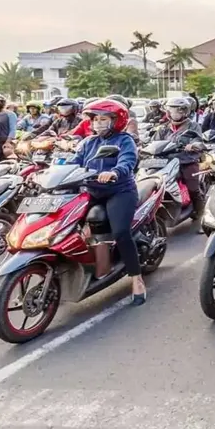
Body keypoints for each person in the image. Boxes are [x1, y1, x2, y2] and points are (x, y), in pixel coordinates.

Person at [68, 100, 146, 305]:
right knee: (69, 226)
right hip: (91, 191)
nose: (98, 123)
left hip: (119, 191)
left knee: (121, 232)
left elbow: (127, 161)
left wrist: (114, 172)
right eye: (95, 119)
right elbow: (72, 162)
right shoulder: (88, 143)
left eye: (103, 119)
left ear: (115, 120)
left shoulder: (124, 140)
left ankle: (136, 279)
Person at [151, 97, 205, 226]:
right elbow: (153, 142)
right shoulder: (163, 128)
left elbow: (198, 140)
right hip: (166, 162)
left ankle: (201, 216)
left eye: (179, 110)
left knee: (193, 189)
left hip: (186, 161)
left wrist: (193, 145)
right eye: (172, 110)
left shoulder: (193, 126)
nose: (175, 113)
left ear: (186, 112)